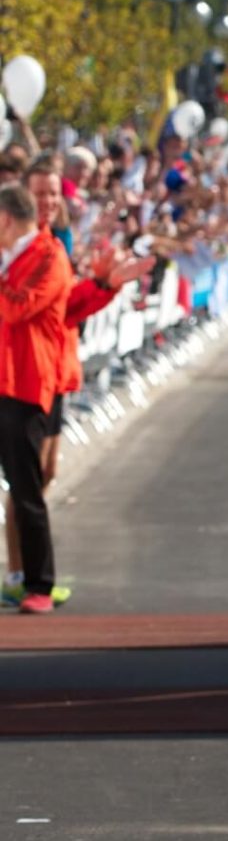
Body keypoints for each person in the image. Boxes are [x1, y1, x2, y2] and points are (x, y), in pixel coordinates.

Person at [1, 160, 155, 608]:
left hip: (46, 372)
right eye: (41, 193)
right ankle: (21, 574)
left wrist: (103, 285)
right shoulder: (29, 249)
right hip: (28, 373)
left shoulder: (50, 250)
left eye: (53, 193)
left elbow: (59, 308)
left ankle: (31, 576)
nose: (49, 201)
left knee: (38, 476)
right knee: (25, 480)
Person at [0, 183, 73, 614]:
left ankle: (39, 583)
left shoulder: (49, 257)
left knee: (27, 486)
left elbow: (16, 308)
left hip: (25, 385)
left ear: (6, 219)